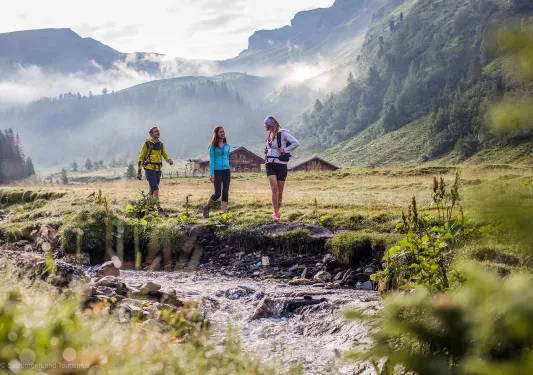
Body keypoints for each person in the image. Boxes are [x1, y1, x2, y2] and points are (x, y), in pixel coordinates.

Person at [264, 116, 299, 220]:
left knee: (280, 191)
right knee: (274, 188)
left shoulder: (283, 133)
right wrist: (267, 151)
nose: (264, 125)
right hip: (270, 163)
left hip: (281, 164)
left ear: (270, 124)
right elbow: (270, 148)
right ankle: (275, 213)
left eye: (265, 123)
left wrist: (285, 150)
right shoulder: (269, 135)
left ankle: (277, 211)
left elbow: (296, 143)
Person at [137, 126, 173, 209]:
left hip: (158, 170)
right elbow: (141, 158)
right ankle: (159, 208)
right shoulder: (147, 144)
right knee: (156, 189)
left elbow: (164, 154)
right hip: (149, 169)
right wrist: (139, 172)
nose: (158, 133)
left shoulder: (160, 144)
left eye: (158, 131)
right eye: (156, 131)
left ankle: (146, 207)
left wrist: (169, 160)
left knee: (152, 190)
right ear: (151, 134)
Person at [202, 125, 231, 218]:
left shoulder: (227, 145)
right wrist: (211, 174)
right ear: (217, 134)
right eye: (220, 132)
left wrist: (228, 166)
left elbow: (227, 158)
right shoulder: (213, 147)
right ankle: (206, 207)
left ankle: (223, 212)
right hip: (217, 171)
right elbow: (212, 160)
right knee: (218, 193)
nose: (222, 133)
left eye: (223, 131)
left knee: (225, 191)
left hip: (226, 170)